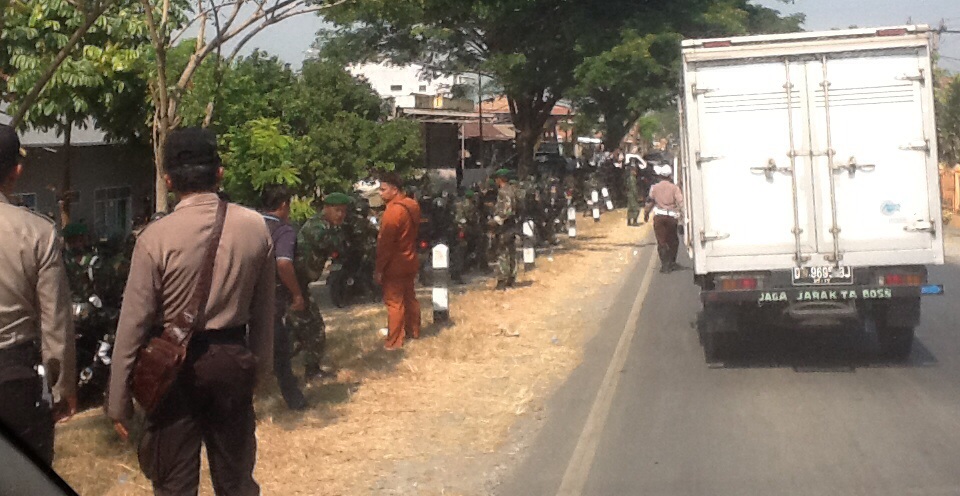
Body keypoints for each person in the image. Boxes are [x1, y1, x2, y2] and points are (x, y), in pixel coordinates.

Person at [107, 128, 275, 496]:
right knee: (236, 482)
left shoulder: (154, 237)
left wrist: (118, 399)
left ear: (168, 180)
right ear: (219, 173)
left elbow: (133, 324)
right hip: (233, 361)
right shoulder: (256, 227)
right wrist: (259, 369)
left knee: (175, 485)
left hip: (173, 369)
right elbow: (265, 313)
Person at [0, 124, 76, 465]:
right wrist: (62, 389)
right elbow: (55, 321)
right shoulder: (38, 232)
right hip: (15, 381)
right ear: (16, 171)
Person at [261, 184, 308, 410]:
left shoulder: (251, 224)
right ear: (283, 205)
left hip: (242, 295)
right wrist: (297, 293)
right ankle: (294, 398)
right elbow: (283, 264)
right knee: (280, 348)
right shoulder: (283, 230)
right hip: (271, 296)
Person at [294, 192, 351, 379]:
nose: (340, 215)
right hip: (291, 284)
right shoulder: (317, 227)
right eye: (337, 210)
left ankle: (310, 369)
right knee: (310, 328)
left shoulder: (330, 227)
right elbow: (334, 245)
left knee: (308, 328)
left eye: (343, 211)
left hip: (299, 284)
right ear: (326, 208)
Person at [375, 172, 421, 350]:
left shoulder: (392, 211)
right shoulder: (412, 204)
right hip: (410, 258)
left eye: (383, 189)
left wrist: (379, 269)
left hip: (394, 264)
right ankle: (413, 331)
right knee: (410, 298)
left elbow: (385, 244)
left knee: (394, 303)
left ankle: (394, 341)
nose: (380, 193)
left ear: (394, 190)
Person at [644, 165, 685, 273]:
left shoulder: (654, 188)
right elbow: (681, 202)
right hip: (671, 217)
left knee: (661, 241)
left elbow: (650, 202)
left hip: (659, 217)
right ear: (670, 176)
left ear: (660, 176)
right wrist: (684, 216)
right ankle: (672, 262)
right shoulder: (674, 188)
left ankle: (664, 265)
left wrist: (646, 213)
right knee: (673, 240)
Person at [490, 168, 518, 290]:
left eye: (496, 179)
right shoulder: (512, 190)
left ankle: (502, 280)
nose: (495, 181)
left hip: (504, 226)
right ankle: (511, 279)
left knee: (502, 252)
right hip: (512, 225)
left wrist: (496, 221)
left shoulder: (503, 192)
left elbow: (507, 210)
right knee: (511, 252)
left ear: (500, 179)